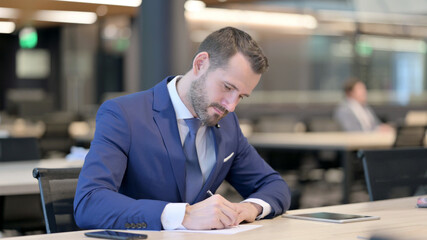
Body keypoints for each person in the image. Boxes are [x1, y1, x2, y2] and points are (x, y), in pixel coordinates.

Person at [74, 27, 291, 231]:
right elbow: (89, 202)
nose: (231, 105)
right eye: (227, 87)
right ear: (200, 64)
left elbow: (273, 185)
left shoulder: (227, 124)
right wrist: (183, 216)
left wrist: (248, 208)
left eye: (241, 96)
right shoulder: (124, 115)